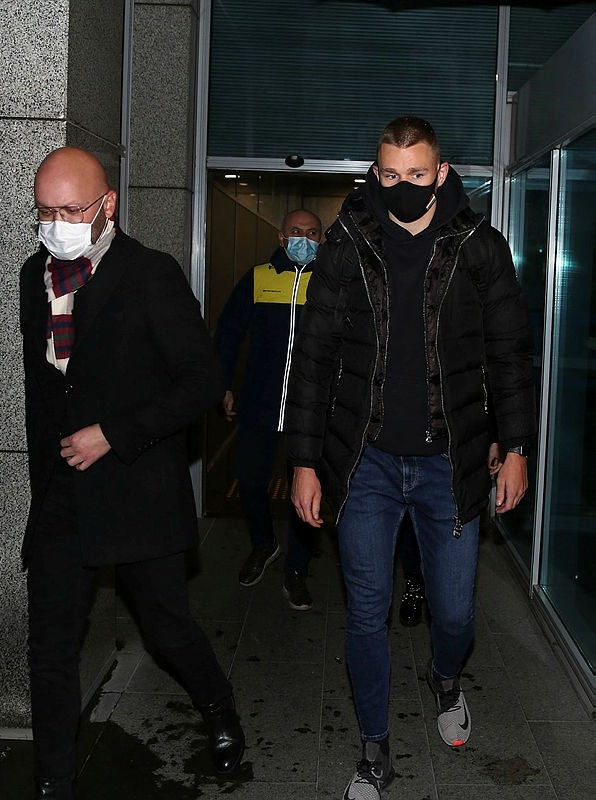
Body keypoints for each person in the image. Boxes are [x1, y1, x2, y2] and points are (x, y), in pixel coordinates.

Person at [285, 117, 535, 799]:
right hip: (363, 463)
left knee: (453, 614)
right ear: (377, 173)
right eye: (390, 175)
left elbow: (509, 358)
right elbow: (313, 362)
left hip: (447, 464)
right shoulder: (346, 245)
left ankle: (446, 676)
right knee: (366, 611)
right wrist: (304, 462)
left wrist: (515, 447)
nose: (402, 186)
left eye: (416, 175)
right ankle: (374, 749)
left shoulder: (479, 248)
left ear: (441, 173)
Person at [20, 147, 245, 799]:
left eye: (71, 211)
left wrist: (114, 434)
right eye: (44, 212)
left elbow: (201, 380)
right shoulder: (34, 276)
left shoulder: (150, 275)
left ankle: (219, 708)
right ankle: (54, 781)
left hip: (136, 489)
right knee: (50, 647)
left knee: (166, 626)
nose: (56, 225)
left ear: (108, 205)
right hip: (62, 495)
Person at [214, 209, 323, 610]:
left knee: (305, 493)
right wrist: (223, 384)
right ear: (281, 237)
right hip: (260, 402)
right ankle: (263, 544)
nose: (303, 239)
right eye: (296, 231)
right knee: (250, 480)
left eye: (312, 233)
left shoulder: (330, 282)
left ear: (321, 239)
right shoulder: (259, 277)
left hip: (309, 411)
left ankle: (296, 569)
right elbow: (228, 332)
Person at [397, 442, 504, 627]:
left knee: (450, 530)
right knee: (408, 524)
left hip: (450, 453)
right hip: (398, 450)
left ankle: (442, 597)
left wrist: (494, 442)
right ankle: (415, 583)